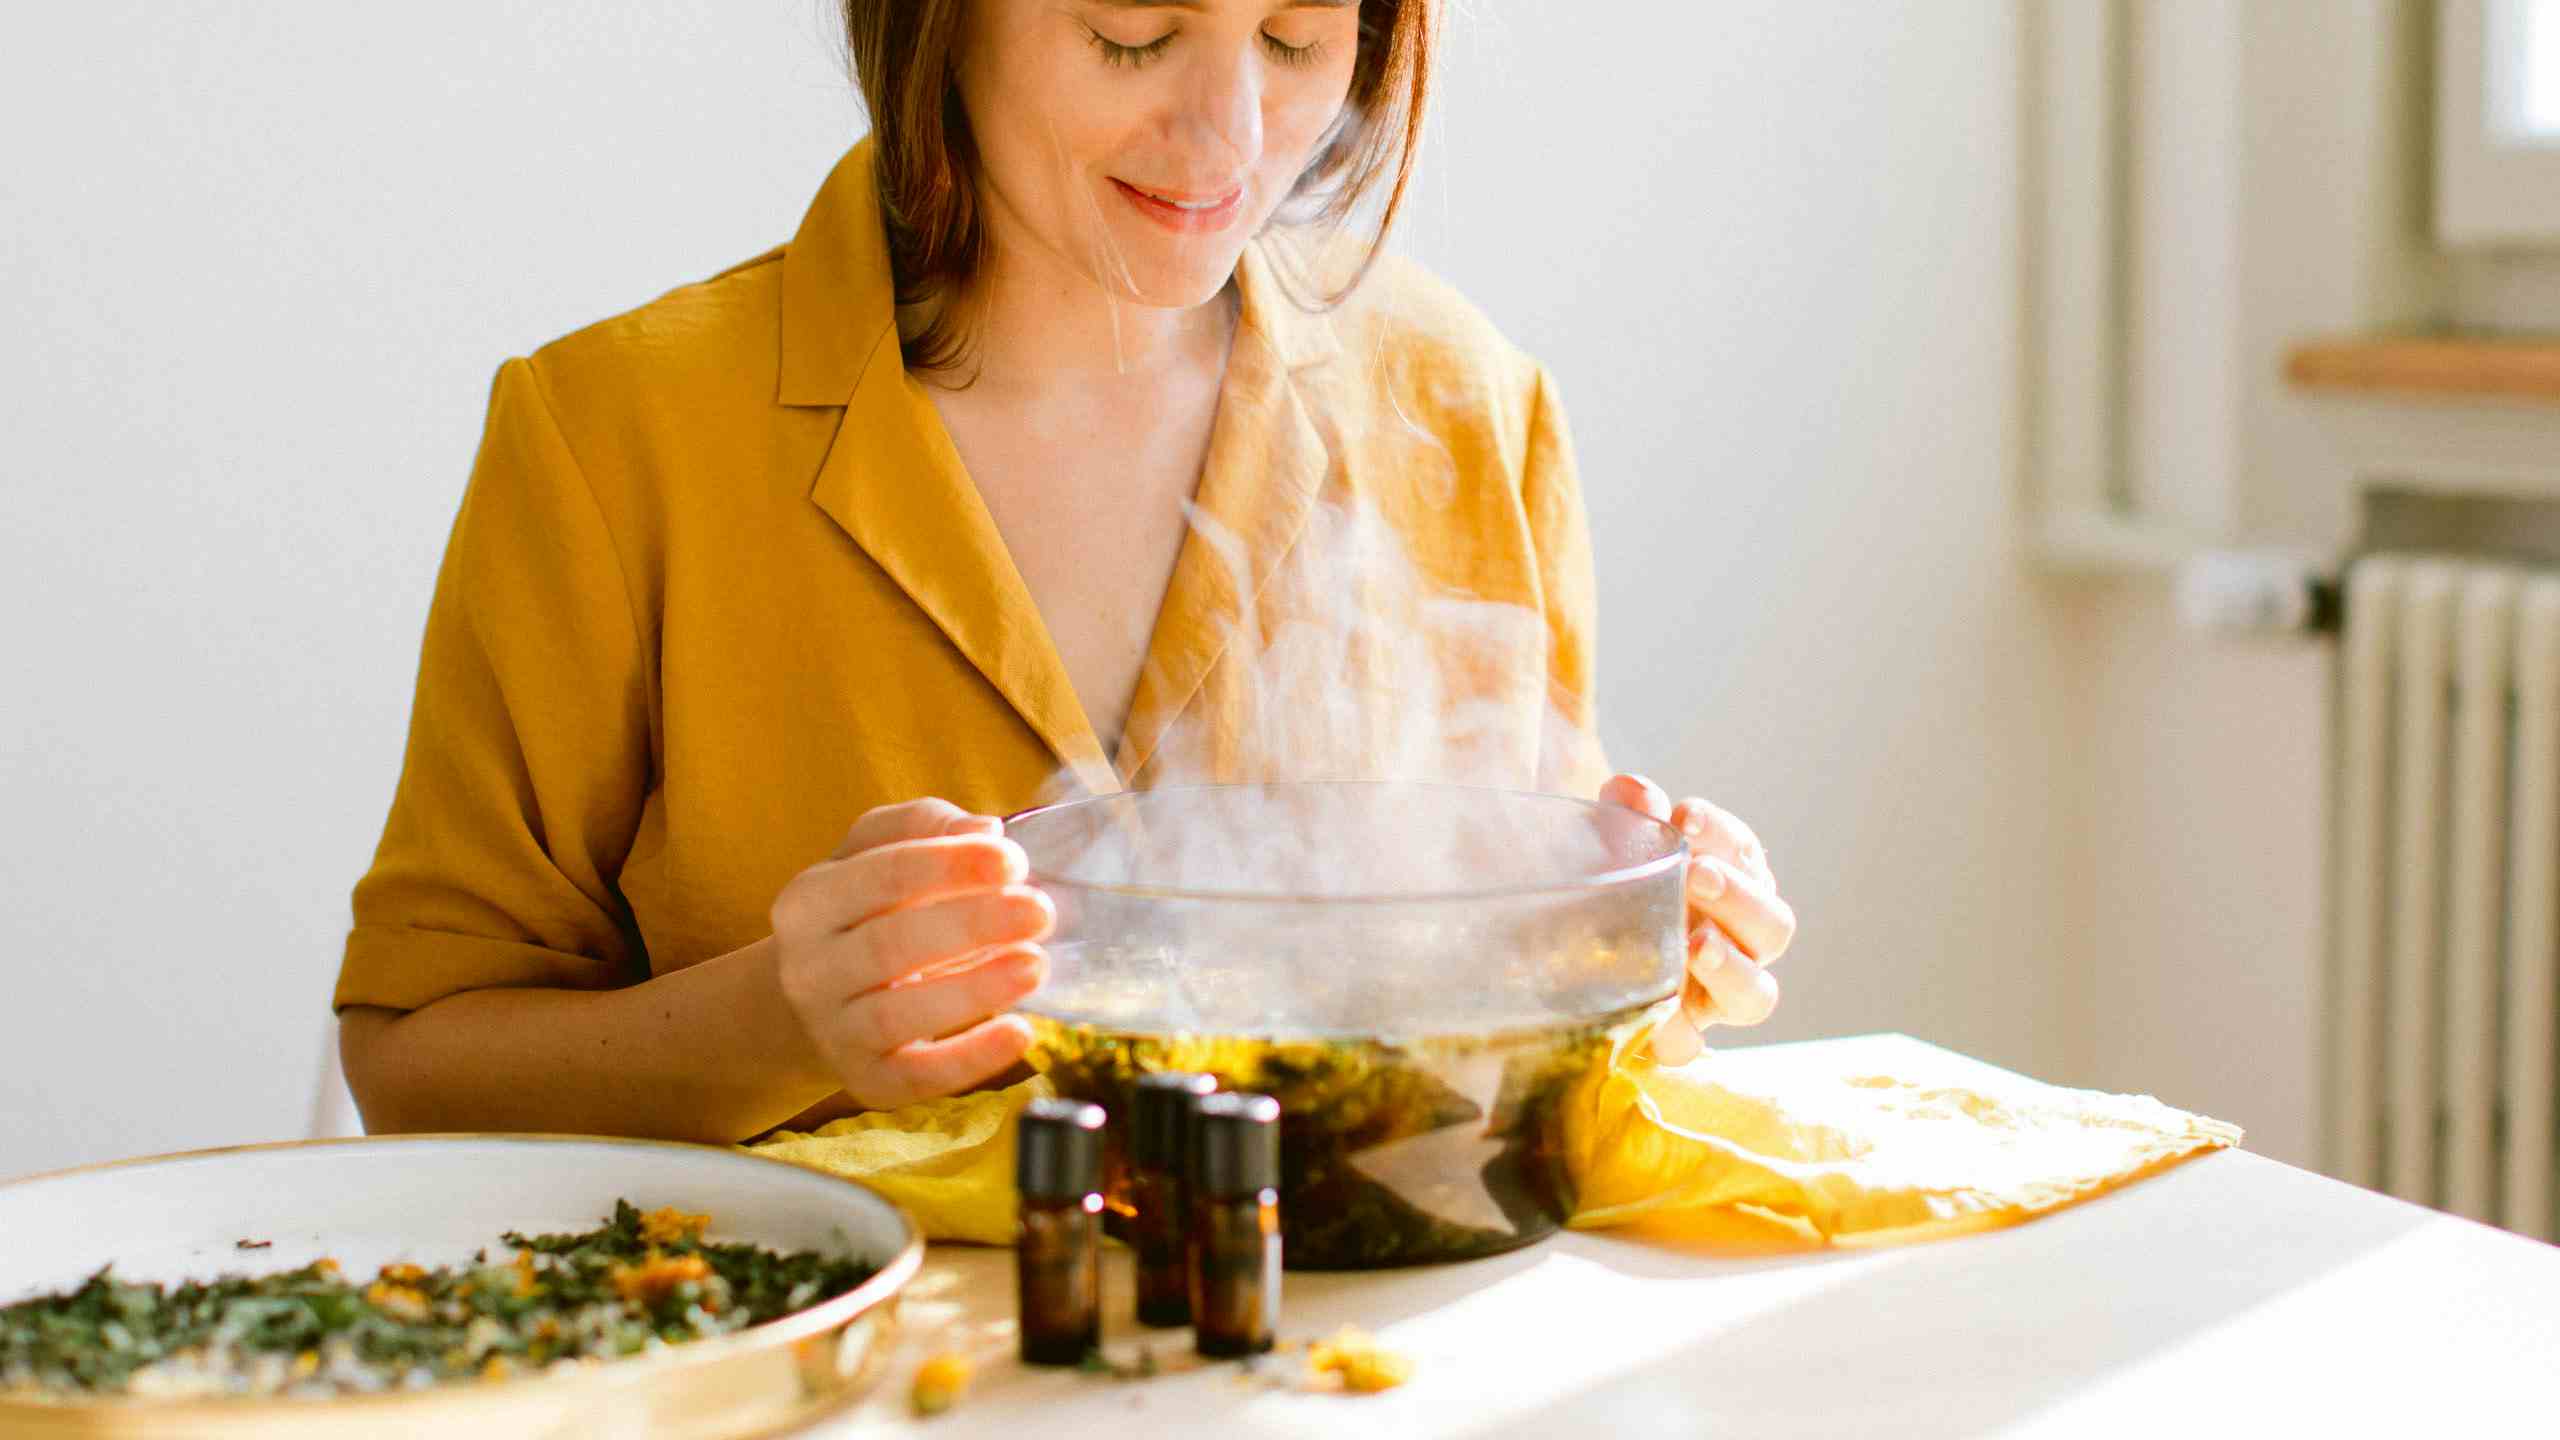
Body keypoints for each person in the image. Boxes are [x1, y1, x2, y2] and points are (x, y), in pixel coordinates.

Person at [335, 0, 1796, 1144]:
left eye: (1297, 37)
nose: (1230, 136)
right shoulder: (614, 439)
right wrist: (779, 1019)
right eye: (1133, 35)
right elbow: (415, 1066)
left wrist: (1644, 949)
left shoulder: (1468, 403)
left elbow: (1501, 1014)